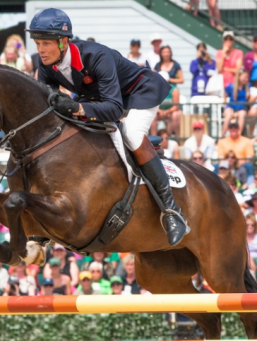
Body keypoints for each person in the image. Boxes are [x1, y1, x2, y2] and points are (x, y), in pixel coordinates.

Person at [28, 8, 189, 246]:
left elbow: (113, 108)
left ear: (63, 42)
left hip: (137, 92)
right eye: (37, 43)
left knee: (132, 134)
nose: (40, 50)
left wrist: (77, 109)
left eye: (45, 44)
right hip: (100, 98)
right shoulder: (46, 66)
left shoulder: (96, 56)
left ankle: (172, 211)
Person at [153, 45, 184, 137]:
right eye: (164, 51)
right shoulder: (157, 66)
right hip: (160, 110)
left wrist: (169, 80)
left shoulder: (174, 89)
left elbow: (182, 80)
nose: (166, 54)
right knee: (152, 115)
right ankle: (153, 138)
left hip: (170, 110)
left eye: (168, 51)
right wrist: (159, 111)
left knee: (175, 115)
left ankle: (170, 137)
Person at [222, 71, 249, 136]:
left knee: (241, 115)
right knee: (228, 115)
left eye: (247, 77)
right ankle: (222, 136)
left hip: (242, 109)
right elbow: (225, 95)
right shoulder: (231, 86)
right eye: (244, 77)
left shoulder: (248, 87)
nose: (246, 79)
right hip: (230, 107)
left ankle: (238, 135)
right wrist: (225, 105)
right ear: (239, 77)